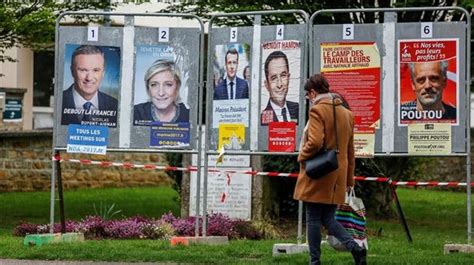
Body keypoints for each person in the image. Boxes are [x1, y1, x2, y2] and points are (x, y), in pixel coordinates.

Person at [293, 74, 366, 265]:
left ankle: (314, 261)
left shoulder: (317, 110)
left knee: (313, 219)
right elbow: (351, 152)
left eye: (308, 95)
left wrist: (302, 155)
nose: (308, 99)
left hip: (318, 173)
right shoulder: (347, 114)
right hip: (337, 176)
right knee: (328, 218)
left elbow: (315, 141)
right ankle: (356, 249)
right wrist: (349, 180)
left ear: (313, 92)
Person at [61, 45, 118, 127]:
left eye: (96, 70)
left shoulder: (115, 105)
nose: (89, 78)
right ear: (72, 71)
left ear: (103, 73)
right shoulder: (60, 101)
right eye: (83, 70)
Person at [133, 60, 189, 125]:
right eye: (154, 85)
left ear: (177, 87)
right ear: (148, 88)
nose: (161, 93)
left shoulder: (189, 115)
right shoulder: (136, 113)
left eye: (168, 84)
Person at [260, 50, 299, 125]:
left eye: (283, 75)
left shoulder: (298, 109)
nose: (279, 84)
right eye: (274, 78)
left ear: (289, 77)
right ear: (267, 85)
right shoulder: (261, 120)